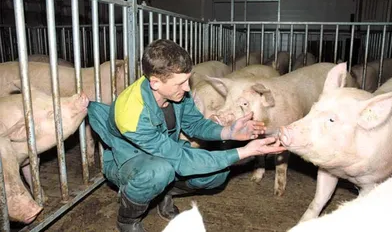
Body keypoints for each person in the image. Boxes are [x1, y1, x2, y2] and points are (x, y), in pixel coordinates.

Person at [87, 39, 286, 232]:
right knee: (159, 171)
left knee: (217, 173)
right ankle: (127, 219)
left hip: (165, 152)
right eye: (181, 83)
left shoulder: (175, 92)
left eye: (187, 80)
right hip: (127, 161)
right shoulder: (132, 113)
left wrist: (228, 131)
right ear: (155, 83)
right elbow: (179, 158)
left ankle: (163, 192)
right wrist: (243, 152)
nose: (188, 88)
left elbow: (195, 123)